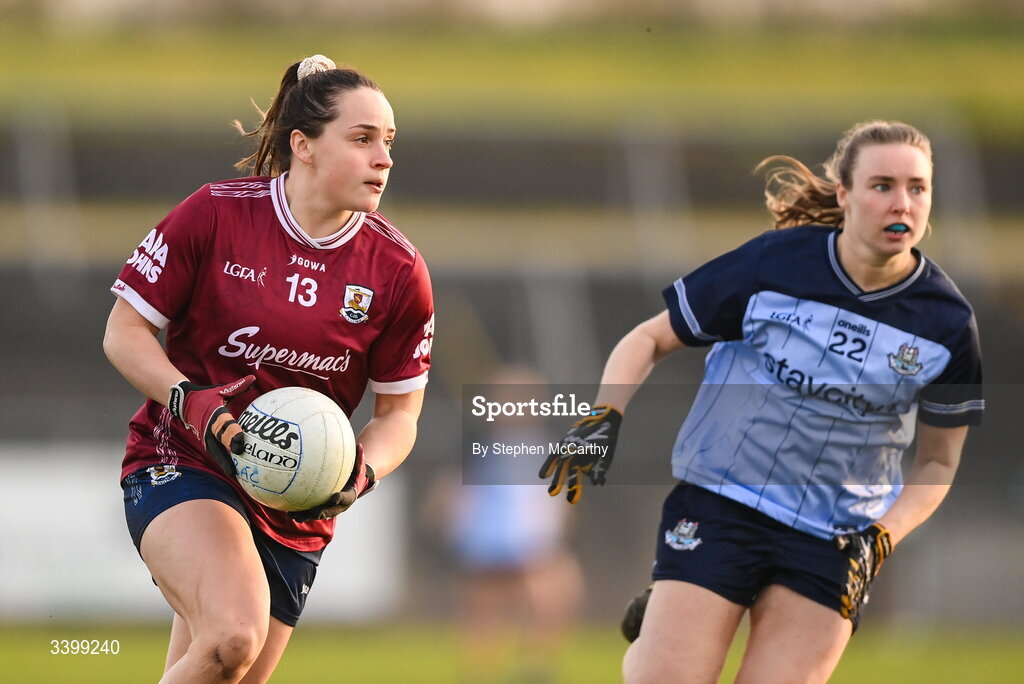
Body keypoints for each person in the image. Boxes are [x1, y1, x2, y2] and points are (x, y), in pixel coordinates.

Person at [540, 120, 983, 683]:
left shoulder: (947, 323)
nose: (903, 202)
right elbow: (648, 338)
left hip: (836, 538)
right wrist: (602, 418)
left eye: (918, 188)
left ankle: (667, 623)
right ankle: (658, 638)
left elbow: (939, 463)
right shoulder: (774, 264)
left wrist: (880, 541)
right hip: (722, 504)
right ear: (844, 194)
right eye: (883, 185)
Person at [103, 54, 434, 684]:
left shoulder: (397, 271)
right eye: (362, 139)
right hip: (186, 459)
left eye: (388, 142)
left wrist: (361, 472)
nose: (383, 158)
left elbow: (399, 415)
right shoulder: (216, 214)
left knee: (224, 667)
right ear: (302, 146)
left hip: (297, 504)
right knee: (233, 636)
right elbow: (124, 333)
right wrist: (191, 401)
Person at [427, 366, 583, 684]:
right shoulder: (478, 443)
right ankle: (486, 668)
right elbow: (450, 488)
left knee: (551, 594)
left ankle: (533, 662)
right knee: (488, 606)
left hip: (530, 535)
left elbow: (559, 493)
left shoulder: (543, 444)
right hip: (493, 533)